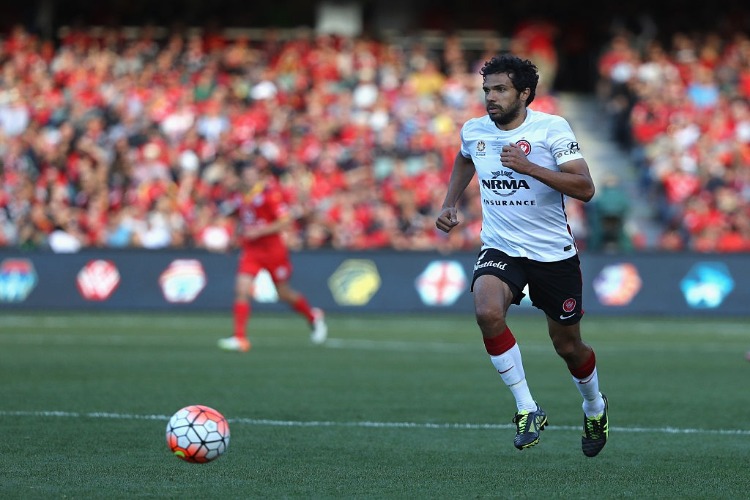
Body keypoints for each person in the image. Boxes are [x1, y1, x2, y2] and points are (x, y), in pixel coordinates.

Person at [435, 54, 608, 457]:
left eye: (499, 90)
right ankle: (527, 407)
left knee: (568, 346)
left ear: (524, 94)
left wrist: (530, 168)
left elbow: (584, 188)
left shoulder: (551, 128)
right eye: (487, 90)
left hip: (552, 254)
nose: (490, 98)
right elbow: (465, 159)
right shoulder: (474, 130)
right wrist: (449, 203)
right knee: (487, 312)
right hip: (501, 246)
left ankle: (594, 406)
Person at [217, 162, 327, 352]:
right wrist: (234, 239)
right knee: (242, 288)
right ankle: (240, 337)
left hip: (273, 250)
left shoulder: (269, 195)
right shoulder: (238, 197)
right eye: (247, 175)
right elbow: (242, 220)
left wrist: (260, 231)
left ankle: (313, 317)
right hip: (251, 250)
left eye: (253, 174)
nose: (251, 178)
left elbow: (285, 221)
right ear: (240, 177)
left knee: (284, 293)